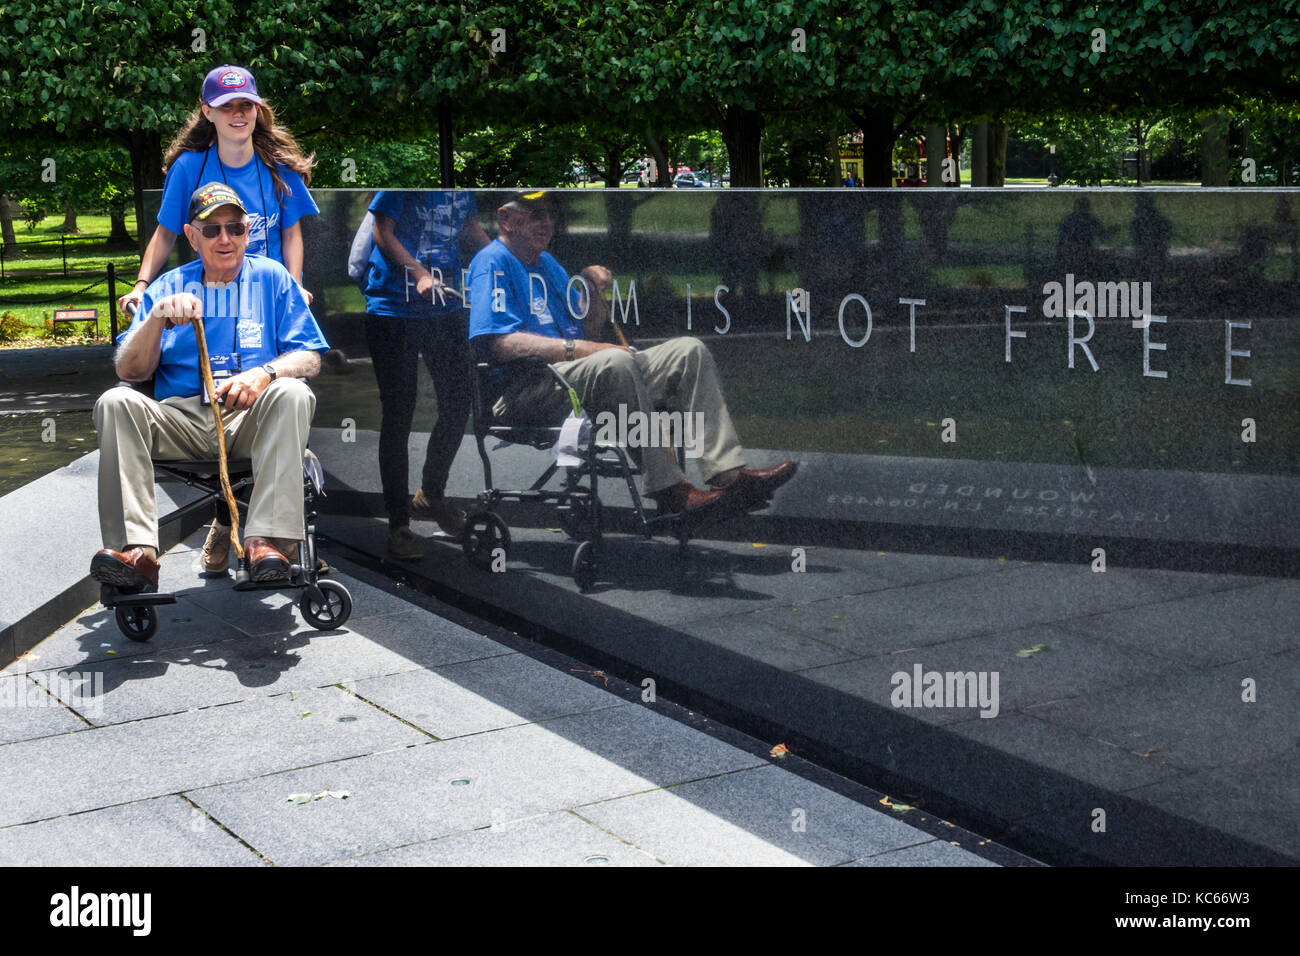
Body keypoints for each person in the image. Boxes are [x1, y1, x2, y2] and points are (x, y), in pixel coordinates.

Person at [467, 191, 796, 515]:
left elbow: (589, 333)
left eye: (549, 214)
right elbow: (501, 343)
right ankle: (670, 489)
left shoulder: (548, 264)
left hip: (574, 379)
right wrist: (583, 349)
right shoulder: (492, 262)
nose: (546, 222)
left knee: (689, 351)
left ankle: (729, 476)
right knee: (616, 360)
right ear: (505, 219)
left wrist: (590, 287)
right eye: (534, 213)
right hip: (522, 392)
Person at [117, 64, 319, 573]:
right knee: (186, 395)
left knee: (285, 392)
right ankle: (174, 538)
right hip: (204, 324)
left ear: (257, 110)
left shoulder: (277, 169)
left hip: (263, 298)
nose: (225, 235)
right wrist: (147, 293)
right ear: (207, 112)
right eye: (227, 106)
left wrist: (291, 285)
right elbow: (165, 231)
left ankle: (265, 539)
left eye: (245, 104)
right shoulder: (191, 167)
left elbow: (293, 232)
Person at [90, 183, 329, 590]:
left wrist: (264, 374)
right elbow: (130, 370)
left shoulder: (272, 278)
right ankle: (137, 553)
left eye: (235, 228)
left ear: (247, 232)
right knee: (115, 401)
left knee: (293, 390)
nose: (225, 238)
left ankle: (265, 541)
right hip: (179, 418)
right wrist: (156, 319)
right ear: (191, 235)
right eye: (212, 228)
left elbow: (310, 357)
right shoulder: (168, 286)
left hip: (251, 419)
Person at [362, 190, 490, 559]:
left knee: (458, 401)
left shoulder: (459, 181)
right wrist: (418, 272)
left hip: (443, 307)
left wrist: (506, 261)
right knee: (400, 411)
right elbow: (382, 232)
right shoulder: (403, 179)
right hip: (392, 310)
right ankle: (398, 524)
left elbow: (469, 228)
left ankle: (431, 494)